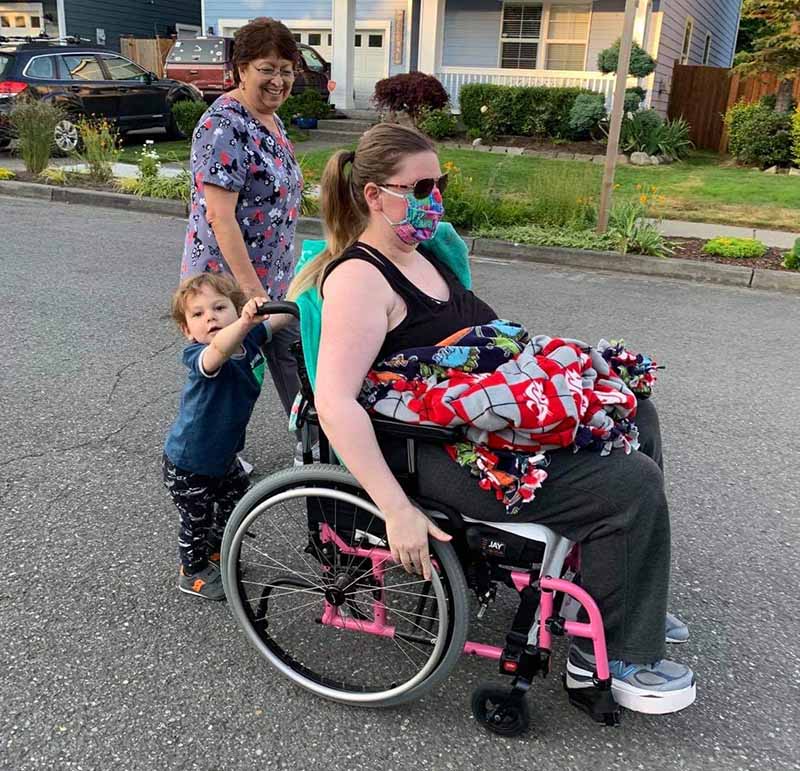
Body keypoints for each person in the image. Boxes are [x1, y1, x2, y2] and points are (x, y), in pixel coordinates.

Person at [287, 123, 696, 714]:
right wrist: (396, 510)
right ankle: (602, 660)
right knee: (630, 483)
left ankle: (618, 594)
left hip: (477, 423)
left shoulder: (426, 255)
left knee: (635, 409)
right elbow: (334, 402)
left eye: (440, 183)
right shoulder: (358, 278)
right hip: (437, 452)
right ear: (375, 196)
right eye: (420, 186)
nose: (435, 198)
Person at [180, 17, 305, 444]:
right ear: (241, 69)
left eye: (286, 70)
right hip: (228, 287)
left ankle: (315, 448)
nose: (278, 80)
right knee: (226, 382)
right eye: (267, 69)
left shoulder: (270, 120)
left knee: (295, 359)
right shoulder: (224, 125)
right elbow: (220, 216)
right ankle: (205, 464)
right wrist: (253, 294)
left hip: (273, 279)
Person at [163, 273, 274, 600]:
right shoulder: (200, 354)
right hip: (189, 464)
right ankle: (191, 570)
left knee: (238, 497)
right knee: (195, 522)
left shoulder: (249, 340)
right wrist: (242, 323)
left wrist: (304, 298)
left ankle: (215, 550)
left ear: (235, 308)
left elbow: (277, 321)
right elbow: (219, 352)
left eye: (219, 307)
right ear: (187, 330)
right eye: (197, 314)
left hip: (224, 456)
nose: (209, 317)